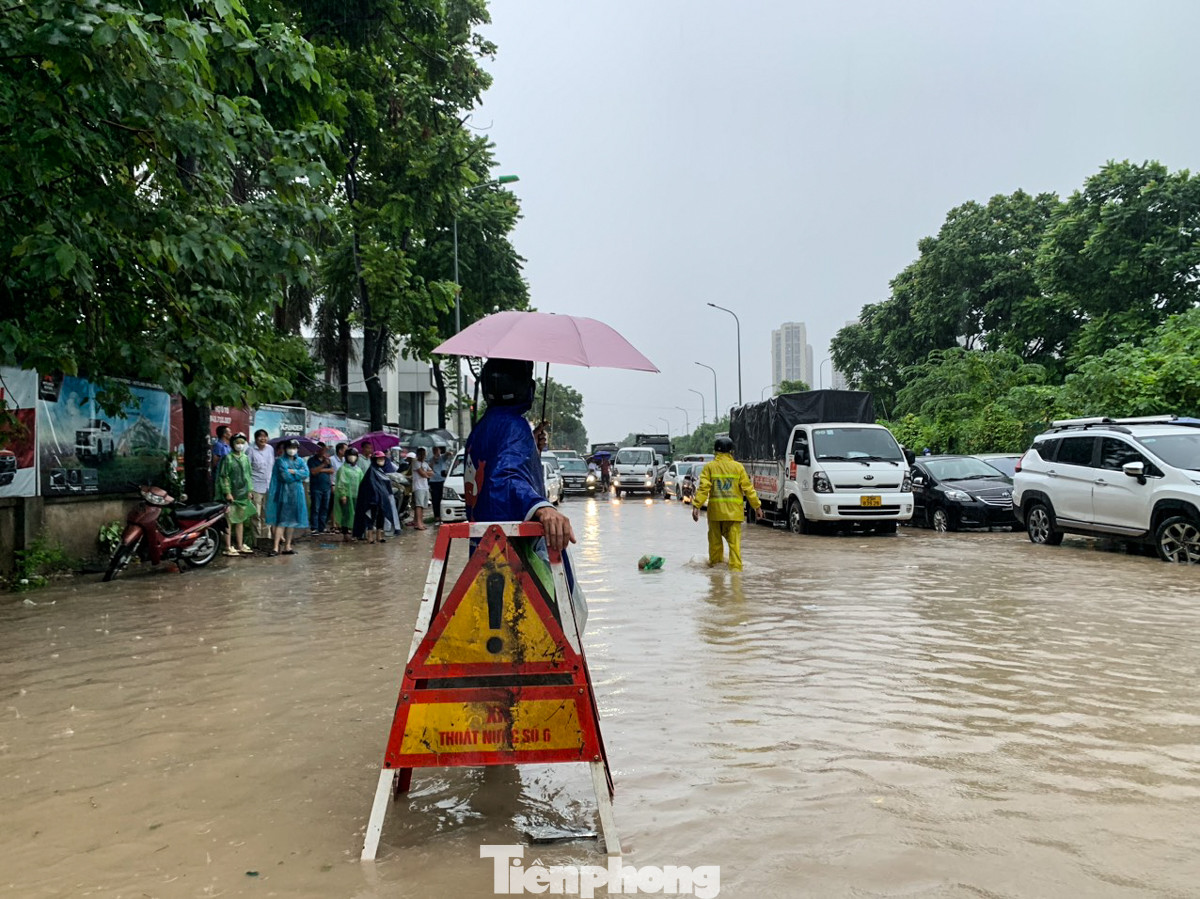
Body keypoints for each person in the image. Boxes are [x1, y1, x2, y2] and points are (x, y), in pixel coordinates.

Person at [465, 358, 583, 628]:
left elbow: (505, 469)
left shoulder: (480, 429)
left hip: (483, 553)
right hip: (514, 556)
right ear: (527, 388)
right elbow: (505, 479)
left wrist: (532, 448)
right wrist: (542, 508)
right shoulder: (514, 427)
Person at [691, 435, 763, 572]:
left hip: (715, 514)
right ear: (731, 452)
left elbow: (703, 488)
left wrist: (696, 506)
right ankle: (736, 577)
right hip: (734, 515)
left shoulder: (709, 467)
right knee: (735, 547)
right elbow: (748, 489)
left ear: (715, 452)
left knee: (715, 545)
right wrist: (757, 506)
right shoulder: (738, 468)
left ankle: (715, 577)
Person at [265, 438, 309, 556]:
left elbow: (306, 473)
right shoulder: (280, 461)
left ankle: (287, 546)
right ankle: (275, 547)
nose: (292, 450)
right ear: (285, 449)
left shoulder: (300, 461)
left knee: (292, 522)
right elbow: (285, 477)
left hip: (296, 495)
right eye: (290, 448)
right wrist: (297, 474)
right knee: (281, 521)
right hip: (283, 495)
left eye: (294, 448)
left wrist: (293, 471)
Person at [215, 433, 255, 556]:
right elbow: (224, 476)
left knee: (240, 520)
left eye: (242, 442)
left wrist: (249, 490)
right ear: (232, 444)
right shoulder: (228, 458)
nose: (240, 445)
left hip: (243, 494)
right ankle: (227, 547)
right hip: (232, 495)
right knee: (229, 521)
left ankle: (239, 545)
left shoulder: (245, 458)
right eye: (237, 442)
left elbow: (248, 476)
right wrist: (227, 492)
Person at [354, 451, 396, 543]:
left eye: (383, 459)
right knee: (371, 517)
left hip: (382, 498)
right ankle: (370, 536)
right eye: (379, 459)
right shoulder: (371, 471)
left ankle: (379, 536)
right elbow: (369, 485)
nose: (381, 460)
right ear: (374, 460)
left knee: (381, 515)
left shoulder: (381, 471)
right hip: (372, 499)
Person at [247, 429, 274, 547]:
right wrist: (249, 489)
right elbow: (247, 471)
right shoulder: (250, 450)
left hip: (269, 486)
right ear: (256, 438)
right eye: (260, 437)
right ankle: (257, 541)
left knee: (267, 515)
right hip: (255, 487)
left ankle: (267, 539)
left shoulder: (270, 449)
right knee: (256, 515)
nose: (263, 439)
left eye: (265, 436)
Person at [333, 446, 363, 541]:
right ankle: (345, 534)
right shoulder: (343, 469)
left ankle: (355, 533)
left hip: (356, 495)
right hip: (347, 496)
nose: (352, 457)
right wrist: (343, 495)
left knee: (356, 515)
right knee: (346, 514)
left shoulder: (358, 469)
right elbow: (341, 483)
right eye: (350, 455)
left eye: (354, 455)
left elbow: (362, 482)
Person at [307, 442, 334, 535]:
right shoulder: (311, 460)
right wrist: (323, 465)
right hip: (316, 487)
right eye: (320, 449)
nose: (322, 451)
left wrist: (320, 469)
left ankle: (322, 527)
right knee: (316, 508)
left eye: (324, 449)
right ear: (317, 450)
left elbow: (331, 470)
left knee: (325, 507)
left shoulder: (327, 460)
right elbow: (313, 472)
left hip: (326, 487)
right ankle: (314, 527)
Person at [411, 447, 433, 531]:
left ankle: (420, 522)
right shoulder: (415, 462)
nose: (423, 455)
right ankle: (419, 523)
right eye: (421, 454)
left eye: (424, 454)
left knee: (423, 506)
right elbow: (423, 474)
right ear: (418, 454)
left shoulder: (425, 464)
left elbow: (431, 473)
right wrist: (426, 473)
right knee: (418, 505)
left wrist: (425, 473)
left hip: (425, 486)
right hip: (418, 487)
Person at [428, 445, 447, 524]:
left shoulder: (442, 458)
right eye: (435, 450)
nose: (436, 452)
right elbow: (429, 468)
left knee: (442, 498)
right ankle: (437, 517)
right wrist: (433, 459)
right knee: (435, 500)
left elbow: (449, 454)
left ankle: (443, 515)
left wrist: (441, 454)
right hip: (433, 481)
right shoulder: (430, 459)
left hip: (442, 480)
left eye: (437, 450)